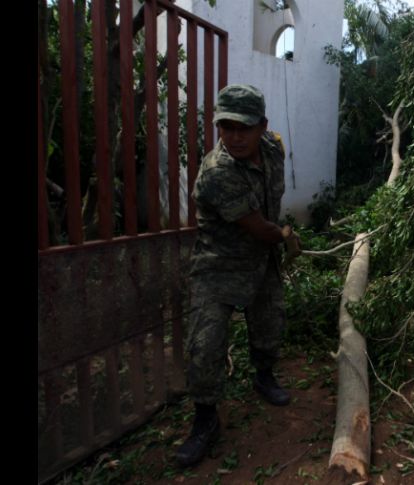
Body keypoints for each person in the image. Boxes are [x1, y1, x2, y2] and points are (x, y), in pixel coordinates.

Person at [176, 84, 302, 467]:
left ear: (262, 126)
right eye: (225, 127)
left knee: (269, 323)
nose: (234, 136)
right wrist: (284, 235)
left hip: (260, 259)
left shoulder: (272, 149)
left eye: (243, 127)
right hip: (219, 265)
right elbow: (259, 227)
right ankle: (205, 419)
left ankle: (264, 376)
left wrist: (276, 239)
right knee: (206, 343)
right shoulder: (218, 172)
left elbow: (269, 205)